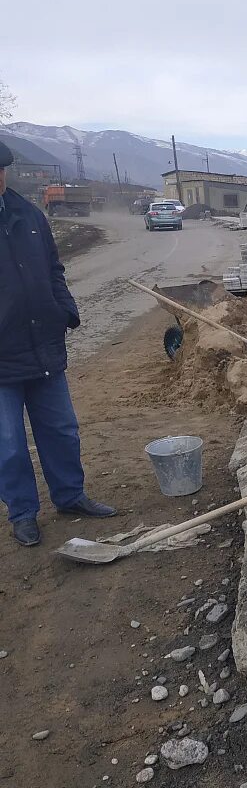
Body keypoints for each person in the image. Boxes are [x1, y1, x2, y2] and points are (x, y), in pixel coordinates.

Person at [0, 140, 116, 547]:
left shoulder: (29, 215)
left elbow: (53, 268)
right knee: (8, 442)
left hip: (43, 344)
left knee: (61, 430)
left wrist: (64, 308)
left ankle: (70, 496)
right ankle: (23, 513)